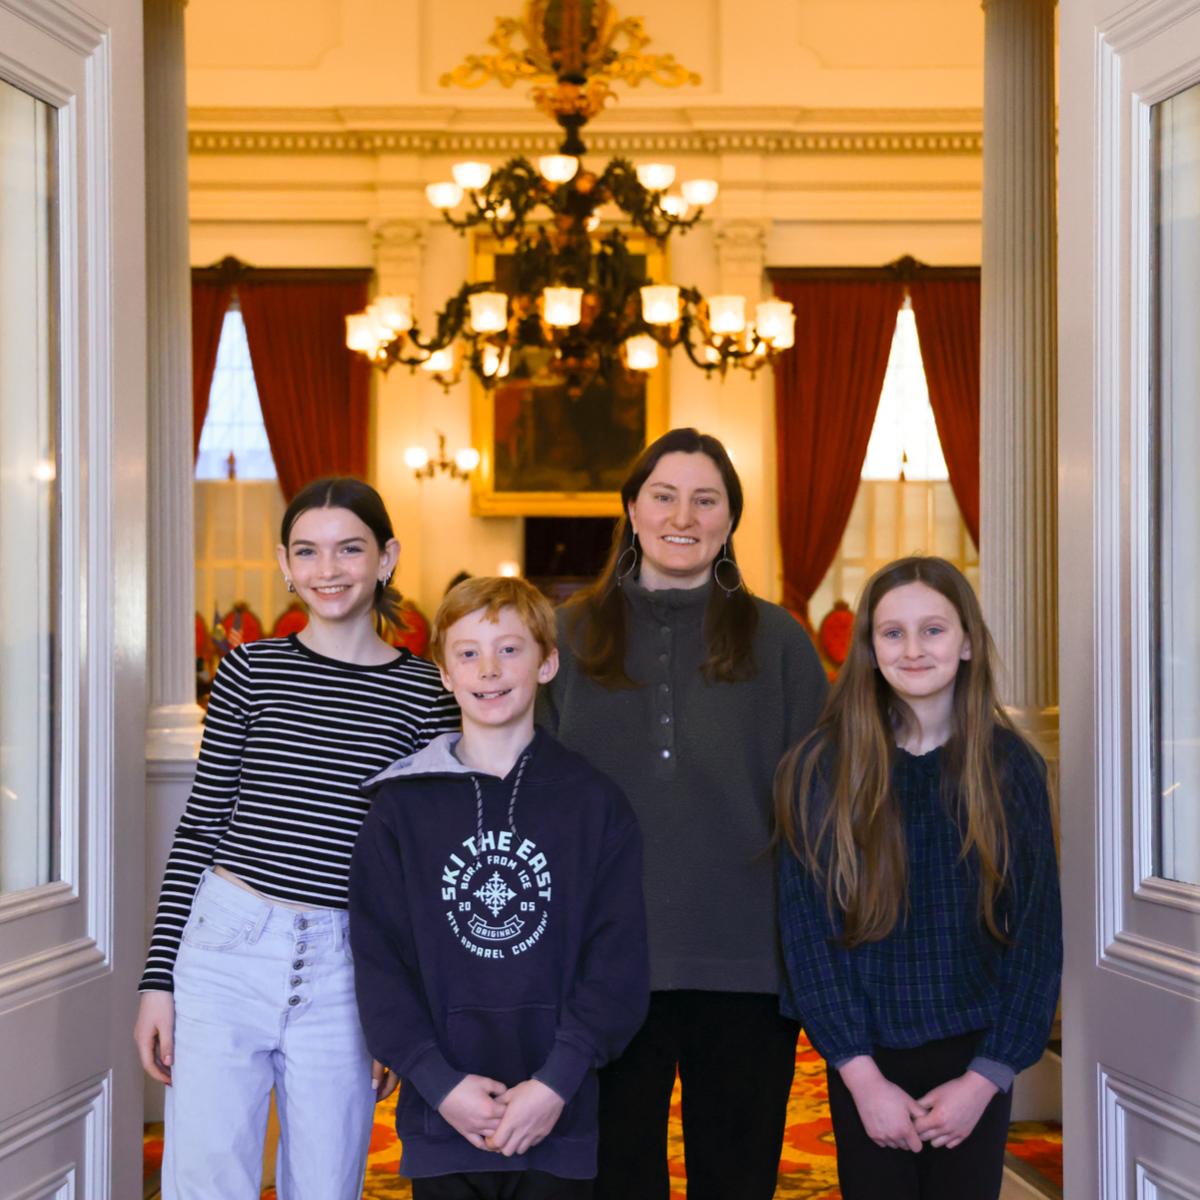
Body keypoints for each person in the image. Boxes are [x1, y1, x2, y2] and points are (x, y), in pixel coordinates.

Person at [134, 477, 461, 1200]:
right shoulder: (250, 671)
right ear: (285, 563)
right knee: (206, 1180)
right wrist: (158, 981)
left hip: (347, 965)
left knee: (326, 1182)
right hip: (226, 950)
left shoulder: (427, 693)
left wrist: (398, 1010)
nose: (328, 569)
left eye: (350, 549)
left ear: (386, 557)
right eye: (307, 552)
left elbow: (418, 867)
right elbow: (199, 827)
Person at [538, 427, 829, 1199]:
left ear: (731, 519)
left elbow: (821, 808)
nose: (684, 515)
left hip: (746, 965)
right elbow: (525, 802)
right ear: (631, 509)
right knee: (614, 1182)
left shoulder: (781, 641)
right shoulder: (564, 636)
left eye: (707, 500)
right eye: (664, 496)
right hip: (602, 966)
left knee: (736, 1182)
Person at [349, 575, 649, 1199]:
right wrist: (437, 1081)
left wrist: (555, 1084)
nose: (489, 669)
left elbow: (616, 966)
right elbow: (380, 964)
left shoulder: (595, 804)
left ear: (548, 663)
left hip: (557, 1114)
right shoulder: (400, 807)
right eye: (468, 653)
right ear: (444, 674)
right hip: (443, 1115)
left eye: (510, 649)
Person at [775, 556, 1062, 1200]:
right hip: (865, 1056)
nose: (912, 649)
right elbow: (807, 939)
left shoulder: (1009, 766)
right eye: (891, 633)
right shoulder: (820, 768)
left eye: (932, 630)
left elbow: (1038, 936)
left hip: (976, 1055)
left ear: (966, 643)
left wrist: (987, 1077)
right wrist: (860, 1075)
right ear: (869, 651)